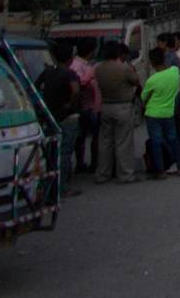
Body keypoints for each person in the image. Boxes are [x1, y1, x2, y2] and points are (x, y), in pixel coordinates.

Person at [35, 42, 83, 196]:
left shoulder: (48, 72)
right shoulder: (69, 73)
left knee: (50, 152)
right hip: (67, 117)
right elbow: (75, 90)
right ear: (70, 58)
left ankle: (48, 186)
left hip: (50, 116)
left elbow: (36, 87)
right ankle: (61, 188)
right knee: (64, 152)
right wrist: (70, 104)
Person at [94, 39, 141, 184]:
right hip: (122, 106)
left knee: (105, 142)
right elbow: (135, 81)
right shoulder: (123, 68)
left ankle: (103, 173)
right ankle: (125, 174)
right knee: (123, 142)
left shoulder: (98, 68)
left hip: (106, 106)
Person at [141, 47, 180, 178]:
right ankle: (179, 165)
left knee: (156, 141)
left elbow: (144, 97)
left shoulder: (152, 80)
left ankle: (160, 171)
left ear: (152, 63)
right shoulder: (174, 73)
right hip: (168, 111)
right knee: (173, 138)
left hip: (153, 113)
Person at [71, 38, 102, 174]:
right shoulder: (77, 66)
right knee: (86, 136)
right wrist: (90, 77)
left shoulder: (86, 64)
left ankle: (89, 163)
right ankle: (83, 163)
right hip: (85, 106)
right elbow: (78, 85)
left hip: (90, 105)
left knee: (88, 136)